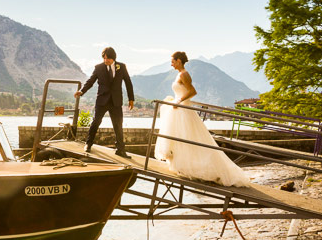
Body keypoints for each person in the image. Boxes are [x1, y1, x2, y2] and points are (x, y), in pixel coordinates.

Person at [155, 51, 249, 187]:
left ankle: (201, 168)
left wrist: (178, 101)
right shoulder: (179, 74)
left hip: (183, 110)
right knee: (182, 138)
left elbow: (192, 91)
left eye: (173, 61)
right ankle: (183, 165)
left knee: (189, 137)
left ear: (179, 61)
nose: (171, 63)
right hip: (179, 110)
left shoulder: (184, 74)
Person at [75, 47, 135, 158]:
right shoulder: (98, 68)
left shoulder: (121, 67)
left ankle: (120, 150)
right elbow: (91, 81)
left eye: (108, 58)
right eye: (104, 58)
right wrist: (82, 91)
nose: (105, 60)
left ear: (113, 58)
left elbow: (128, 83)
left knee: (118, 126)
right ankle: (88, 144)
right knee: (96, 122)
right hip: (102, 100)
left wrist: (131, 99)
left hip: (116, 101)